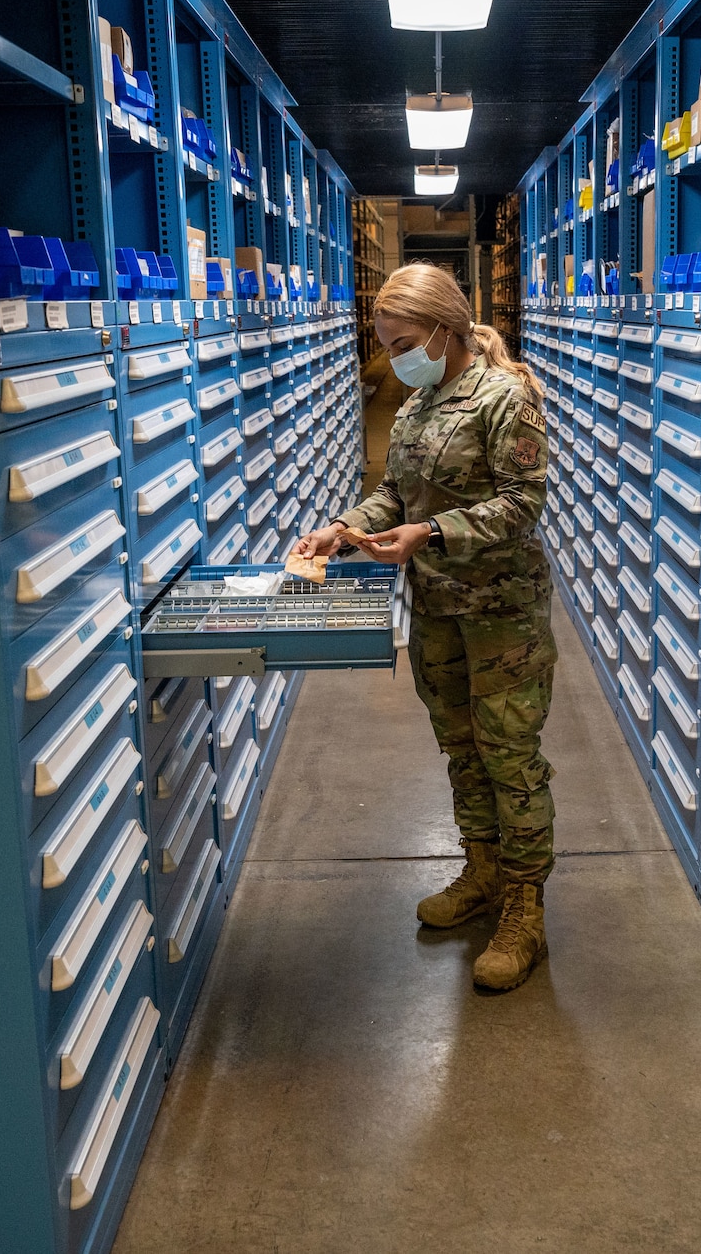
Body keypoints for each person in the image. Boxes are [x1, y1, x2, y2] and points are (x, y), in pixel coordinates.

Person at [293, 263, 556, 992]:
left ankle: (525, 906)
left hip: (503, 615)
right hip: (438, 610)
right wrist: (343, 528)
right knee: (462, 749)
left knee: (510, 755)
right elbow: (393, 492)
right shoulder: (417, 403)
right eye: (385, 343)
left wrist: (431, 533)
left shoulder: (506, 400)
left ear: (445, 329)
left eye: (402, 341)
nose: (395, 356)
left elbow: (522, 505)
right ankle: (482, 868)